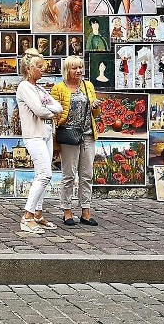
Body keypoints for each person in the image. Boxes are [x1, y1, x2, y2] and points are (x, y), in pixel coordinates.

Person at [16, 48, 63, 234]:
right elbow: (40, 110)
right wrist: (49, 110)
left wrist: (48, 108)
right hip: (34, 135)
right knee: (45, 174)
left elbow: (58, 106)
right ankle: (27, 217)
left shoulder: (39, 88)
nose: (43, 70)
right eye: (39, 67)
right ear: (29, 68)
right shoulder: (24, 87)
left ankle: (38, 213)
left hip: (45, 134)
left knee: (40, 175)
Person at [51, 56, 101, 227]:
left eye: (80, 67)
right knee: (69, 175)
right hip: (68, 135)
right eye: (74, 68)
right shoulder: (58, 88)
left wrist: (95, 106)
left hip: (87, 134)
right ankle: (67, 211)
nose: (79, 71)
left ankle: (86, 211)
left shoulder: (88, 86)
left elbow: (95, 114)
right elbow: (54, 115)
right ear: (67, 70)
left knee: (87, 175)